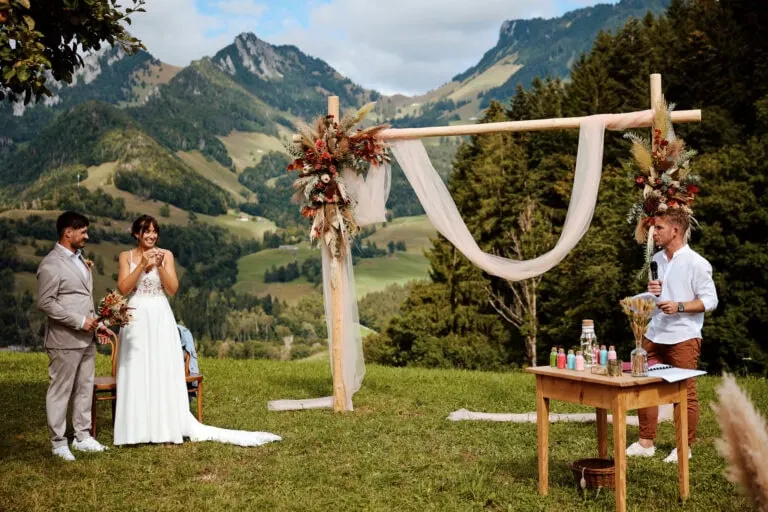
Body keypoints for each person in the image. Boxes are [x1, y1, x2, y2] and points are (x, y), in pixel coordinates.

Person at [113, 215, 280, 447]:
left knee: (161, 369)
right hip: (136, 316)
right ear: (136, 234)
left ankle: (164, 428)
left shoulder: (166, 255)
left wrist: (159, 266)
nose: (151, 235)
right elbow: (123, 288)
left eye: (154, 231)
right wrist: (142, 265)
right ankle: (135, 430)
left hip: (160, 314)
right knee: (137, 369)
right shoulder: (126, 256)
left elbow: (173, 289)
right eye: (146, 231)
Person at [626, 208, 718, 463]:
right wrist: (652, 292)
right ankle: (646, 442)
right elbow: (657, 295)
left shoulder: (697, 263)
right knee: (642, 383)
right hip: (655, 332)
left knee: (684, 391)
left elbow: (710, 301)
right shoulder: (656, 259)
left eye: (659, 228)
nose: (653, 233)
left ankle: (683, 447)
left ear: (675, 231)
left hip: (683, 336)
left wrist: (679, 306)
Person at [37, 211, 112, 461]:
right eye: (83, 232)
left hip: (86, 339)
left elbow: (82, 299)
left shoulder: (80, 260)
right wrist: (80, 322)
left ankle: (82, 437)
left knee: (84, 388)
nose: (87, 236)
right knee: (60, 391)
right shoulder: (51, 263)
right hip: (64, 340)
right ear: (68, 233)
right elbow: (45, 303)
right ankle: (58, 443)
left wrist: (97, 326)